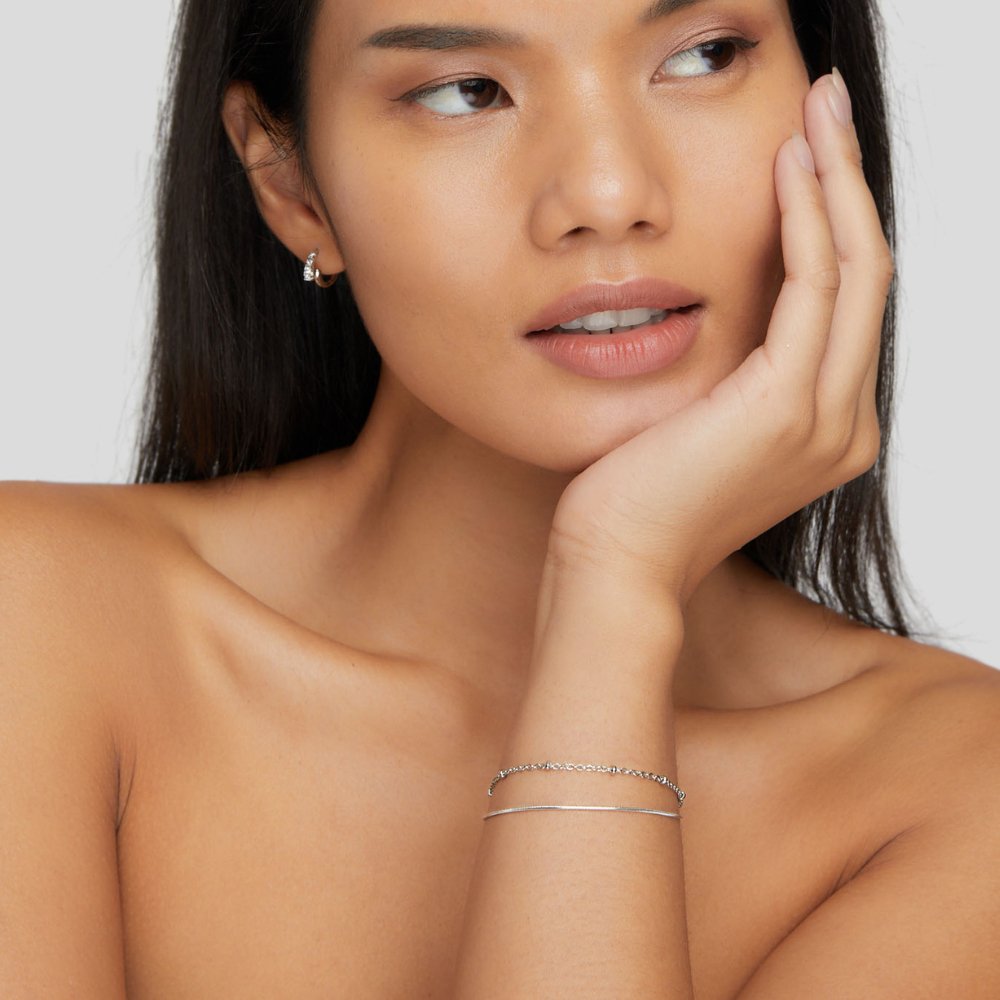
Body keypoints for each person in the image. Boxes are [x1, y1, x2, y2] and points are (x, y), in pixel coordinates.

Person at [1, 0, 997, 996]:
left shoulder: (956, 787)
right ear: (292, 185)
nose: (607, 195)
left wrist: (615, 589)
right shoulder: (42, 619)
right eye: (465, 92)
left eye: (703, 56)